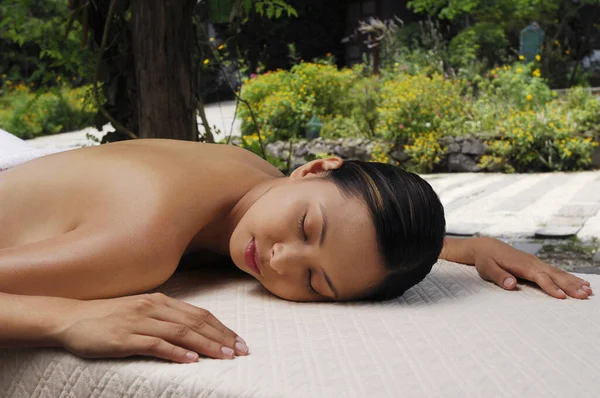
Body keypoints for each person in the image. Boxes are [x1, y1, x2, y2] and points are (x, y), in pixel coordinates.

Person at [0, 138, 593, 364]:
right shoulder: (139, 247)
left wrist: (464, 249)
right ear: (312, 167)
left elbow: (345, 236)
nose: (282, 260)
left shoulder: (251, 174)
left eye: (315, 283)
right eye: (306, 229)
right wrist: (66, 318)